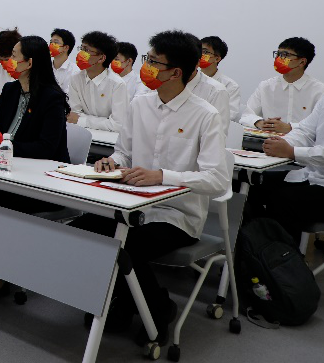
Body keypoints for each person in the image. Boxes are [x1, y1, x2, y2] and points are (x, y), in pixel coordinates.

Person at [81, 31, 228, 343]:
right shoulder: (140, 105)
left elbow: (217, 179)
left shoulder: (205, 115)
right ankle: (124, 301)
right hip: (132, 204)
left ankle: (157, 310)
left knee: (126, 247)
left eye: (153, 62)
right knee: (85, 228)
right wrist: (111, 162)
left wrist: (162, 176)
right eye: (147, 59)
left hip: (177, 216)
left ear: (175, 72)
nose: (145, 67)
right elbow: (124, 153)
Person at [0, 35, 71, 304]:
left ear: (30, 62)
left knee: (2, 206)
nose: (9, 61)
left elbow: (46, 148)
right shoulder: (11, 90)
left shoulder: (52, 97)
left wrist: (4, 147)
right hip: (9, 172)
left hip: (43, 181)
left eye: (14, 55)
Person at [256, 92, 324, 244]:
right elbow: (305, 131)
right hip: (313, 175)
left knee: (283, 201)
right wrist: (280, 143)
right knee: (255, 185)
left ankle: (282, 257)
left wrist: (291, 151)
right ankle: (253, 250)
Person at [240, 37, 324, 134]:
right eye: (278, 54)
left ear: (302, 62)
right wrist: (260, 122)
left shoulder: (320, 91)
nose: (279, 58)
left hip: (302, 142)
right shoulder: (266, 86)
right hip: (267, 141)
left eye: (285, 55)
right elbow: (246, 115)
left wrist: (291, 128)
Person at [66, 30, 129, 133]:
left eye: (86, 50)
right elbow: (74, 114)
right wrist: (104, 122)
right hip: (81, 133)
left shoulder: (117, 84)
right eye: (81, 48)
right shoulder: (75, 78)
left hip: (108, 139)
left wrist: (82, 120)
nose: (81, 53)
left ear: (101, 58)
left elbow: (118, 124)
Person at [199, 36, 241, 122]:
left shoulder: (230, 86)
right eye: (198, 51)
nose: (200, 55)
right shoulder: (188, 79)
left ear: (217, 58)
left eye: (205, 52)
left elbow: (230, 115)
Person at [50, 28, 77, 93]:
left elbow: (70, 96)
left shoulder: (75, 71)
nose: (51, 45)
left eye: (56, 42)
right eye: (51, 42)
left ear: (66, 47)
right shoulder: (44, 68)